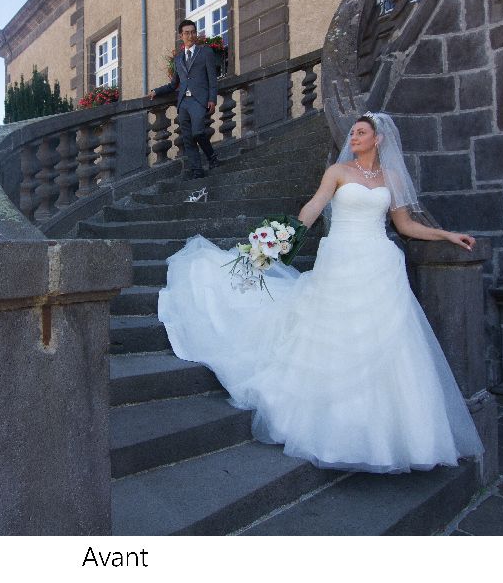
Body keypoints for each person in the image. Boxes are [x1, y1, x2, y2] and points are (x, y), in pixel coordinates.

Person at [155, 112, 483, 472]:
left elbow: (405, 224)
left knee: (388, 344)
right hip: (341, 258)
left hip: (380, 263)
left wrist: (447, 235)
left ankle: (388, 438)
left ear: (379, 139)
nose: (353, 137)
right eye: (353, 132)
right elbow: (313, 206)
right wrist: (283, 237)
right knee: (333, 335)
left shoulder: (391, 178)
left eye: (361, 133)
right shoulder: (338, 172)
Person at [151, 20, 224, 179]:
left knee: (198, 132)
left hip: (199, 100)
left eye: (193, 32)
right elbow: (173, 84)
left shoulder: (206, 52)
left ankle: (212, 157)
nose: (190, 35)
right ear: (181, 36)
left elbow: (213, 79)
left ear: (196, 33)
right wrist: (157, 91)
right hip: (183, 102)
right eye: (187, 33)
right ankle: (197, 170)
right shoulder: (178, 59)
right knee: (187, 139)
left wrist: (212, 99)